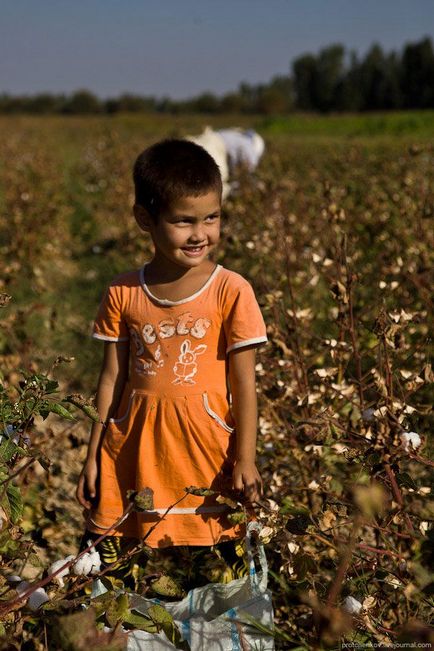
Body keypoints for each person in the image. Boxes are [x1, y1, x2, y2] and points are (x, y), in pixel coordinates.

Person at [76, 139, 267, 586]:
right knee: (125, 571)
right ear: (145, 219)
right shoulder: (123, 292)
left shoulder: (231, 291)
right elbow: (111, 378)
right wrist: (92, 456)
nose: (200, 233)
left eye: (212, 217)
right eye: (183, 221)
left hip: (206, 454)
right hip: (133, 451)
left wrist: (246, 457)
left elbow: (244, 387)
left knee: (217, 569)